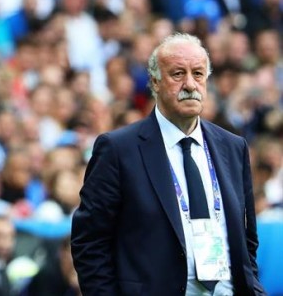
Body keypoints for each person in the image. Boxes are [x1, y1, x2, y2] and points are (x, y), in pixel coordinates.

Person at [71, 33, 265, 295]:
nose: (190, 84)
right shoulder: (118, 149)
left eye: (198, 74)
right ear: (155, 82)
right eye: (177, 74)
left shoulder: (233, 146)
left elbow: (247, 240)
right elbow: (90, 243)